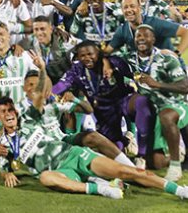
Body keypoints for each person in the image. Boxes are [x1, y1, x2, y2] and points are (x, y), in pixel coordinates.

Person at [0, 95, 188, 200]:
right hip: (59, 171)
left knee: (125, 171)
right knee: (46, 178)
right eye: (3, 112)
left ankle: (179, 191)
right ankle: (100, 189)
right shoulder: (3, 144)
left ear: (16, 111)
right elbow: (4, 168)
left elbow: (38, 95)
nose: (9, 114)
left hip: (73, 154)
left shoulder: (29, 119)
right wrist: (7, 174)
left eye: (11, 110)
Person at [52, 41, 153, 169]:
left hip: (122, 102)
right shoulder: (77, 69)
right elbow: (62, 85)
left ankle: (140, 155)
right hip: (104, 114)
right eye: (82, 55)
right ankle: (125, 144)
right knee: (112, 152)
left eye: (90, 54)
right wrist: (48, 94)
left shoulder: (114, 62)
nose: (86, 58)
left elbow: (134, 76)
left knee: (140, 102)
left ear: (98, 53)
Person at [129, 25, 188, 181]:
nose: (141, 38)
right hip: (152, 108)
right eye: (138, 36)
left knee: (167, 117)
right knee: (157, 163)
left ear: (153, 39)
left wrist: (158, 84)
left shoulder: (167, 58)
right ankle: (178, 153)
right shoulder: (130, 58)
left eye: (146, 36)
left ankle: (176, 166)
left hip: (175, 103)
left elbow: (185, 87)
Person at [0, 22, 39, 162]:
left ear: (9, 37)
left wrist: (40, 67)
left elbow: (39, 82)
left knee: (30, 154)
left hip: (21, 113)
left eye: (2, 34)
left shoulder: (23, 56)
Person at [105, 0, 188, 55]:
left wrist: (176, 54)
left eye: (132, 6)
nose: (129, 10)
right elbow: (107, 51)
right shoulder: (123, 30)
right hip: (145, 70)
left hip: (168, 70)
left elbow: (186, 33)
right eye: (125, 7)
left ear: (140, 8)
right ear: (122, 11)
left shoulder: (155, 23)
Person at [23, 16, 79, 84]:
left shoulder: (64, 40)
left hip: (67, 78)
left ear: (51, 29)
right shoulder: (32, 41)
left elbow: (81, 47)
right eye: (36, 29)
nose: (39, 33)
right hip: (49, 75)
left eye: (42, 29)